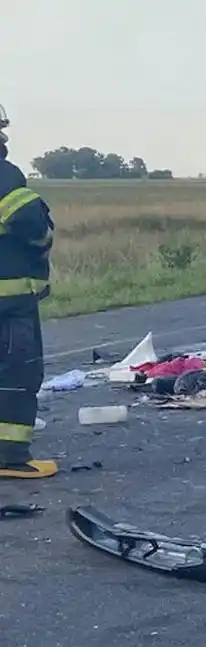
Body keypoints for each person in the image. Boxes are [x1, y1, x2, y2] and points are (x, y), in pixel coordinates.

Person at [0, 124, 58, 478]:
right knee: (16, 375)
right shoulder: (4, 174)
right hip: (8, 301)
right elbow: (30, 221)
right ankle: (10, 457)